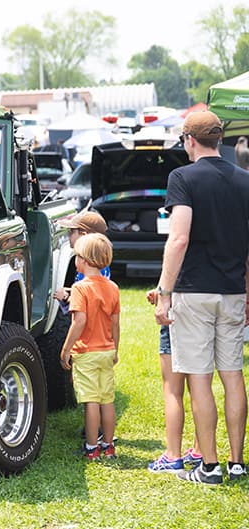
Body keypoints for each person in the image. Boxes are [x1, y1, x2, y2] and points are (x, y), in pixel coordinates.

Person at [155, 110, 248, 485]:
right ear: (220, 140)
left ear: (189, 140)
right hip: (233, 291)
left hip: (194, 292)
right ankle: (238, 462)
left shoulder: (182, 177)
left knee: (199, 378)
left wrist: (164, 292)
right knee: (233, 375)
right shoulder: (245, 180)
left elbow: (178, 238)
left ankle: (208, 467)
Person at [59, 233, 120, 461]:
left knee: (91, 400)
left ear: (83, 260)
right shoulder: (112, 287)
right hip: (106, 351)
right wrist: (116, 348)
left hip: (86, 352)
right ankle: (109, 446)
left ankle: (91, 447)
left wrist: (66, 350)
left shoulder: (79, 288)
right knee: (107, 399)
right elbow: (115, 322)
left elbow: (79, 321)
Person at [146, 288, 201, 473]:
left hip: (177, 310)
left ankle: (173, 456)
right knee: (200, 389)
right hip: (206, 309)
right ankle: (200, 451)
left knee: (172, 391)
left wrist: (163, 293)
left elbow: (177, 273)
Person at [53, 210, 110, 313]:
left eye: (71, 232)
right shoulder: (98, 264)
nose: (68, 236)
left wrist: (65, 298)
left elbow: (88, 304)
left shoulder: (89, 266)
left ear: (83, 235)